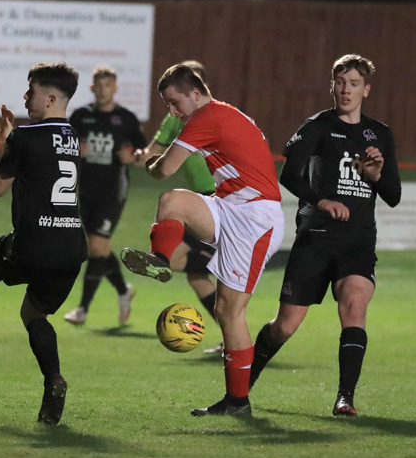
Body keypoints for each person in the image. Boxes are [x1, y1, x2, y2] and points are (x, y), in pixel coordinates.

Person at [122, 63, 285, 417]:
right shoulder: (215, 114)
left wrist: (149, 162)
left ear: (195, 94)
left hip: (256, 219)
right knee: (172, 201)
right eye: (167, 104)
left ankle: (237, 402)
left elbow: (163, 168)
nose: (172, 111)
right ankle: (160, 260)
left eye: (174, 102)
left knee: (230, 312)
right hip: (230, 206)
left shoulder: (207, 116)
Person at [248, 54, 401, 416]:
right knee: (284, 327)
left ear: (366, 89)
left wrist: (376, 175)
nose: (345, 90)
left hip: (358, 243)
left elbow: (393, 196)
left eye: (353, 84)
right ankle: (242, 386)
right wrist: (322, 200)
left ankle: (345, 397)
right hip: (316, 238)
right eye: (339, 82)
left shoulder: (380, 134)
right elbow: (288, 176)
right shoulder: (318, 125)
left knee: (354, 305)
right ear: (331, 85)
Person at [0, 62, 87, 426]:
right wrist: (11, 138)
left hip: (35, 245)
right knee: (33, 314)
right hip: (72, 250)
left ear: (52, 96)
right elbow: (42, 155)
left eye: (32, 90)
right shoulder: (72, 136)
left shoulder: (28, 138)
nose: (26, 96)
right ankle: (53, 381)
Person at [140, 60, 222, 354]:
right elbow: (155, 153)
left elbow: (156, 161)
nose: (173, 107)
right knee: (194, 274)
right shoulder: (188, 115)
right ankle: (230, 335)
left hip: (215, 197)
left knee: (179, 261)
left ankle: (219, 263)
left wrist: (140, 158)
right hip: (203, 197)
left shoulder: (203, 116)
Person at [62, 65, 146, 327]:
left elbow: (145, 152)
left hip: (113, 191)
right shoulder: (81, 116)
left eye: (107, 86)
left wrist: (132, 158)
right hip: (85, 190)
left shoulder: (126, 118)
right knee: (101, 248)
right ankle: (123, 291)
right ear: (92, 88)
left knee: (96, 246)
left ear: (115, 88)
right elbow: (64, 145)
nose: (102, 91)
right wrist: (76, 152)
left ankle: (83, 309)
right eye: (98, 86)